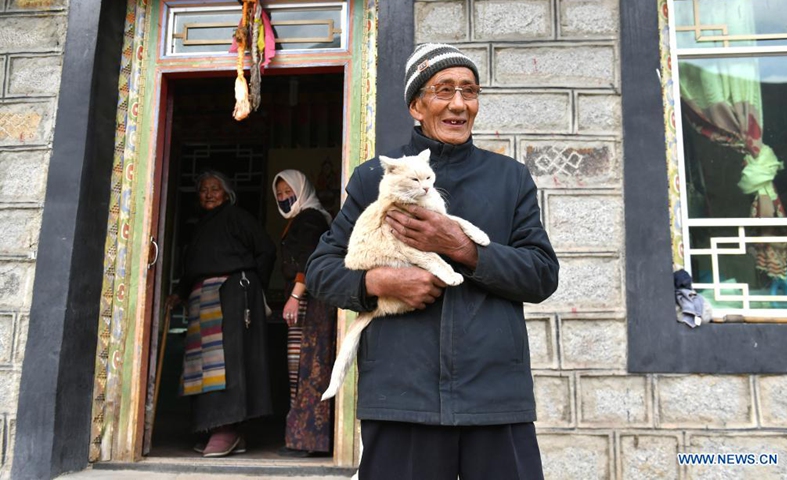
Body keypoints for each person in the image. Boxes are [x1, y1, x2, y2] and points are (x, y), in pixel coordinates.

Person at [305, 43, 559, 479]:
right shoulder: (374, 179)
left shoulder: (509, 178)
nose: (459, 104)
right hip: (401, 397)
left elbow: (541, 275)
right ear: (415, 106)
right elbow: (321, 271)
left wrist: (465, 249)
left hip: (494, 398)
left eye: (469, 91)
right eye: (443, 90)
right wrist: (380, 282)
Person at [166, 170, 276, 458]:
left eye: (215, 188)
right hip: (203, 299)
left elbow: (266, 250)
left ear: (227, 193)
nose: (209, 194)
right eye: (203, 189)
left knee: (229, 361)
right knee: (204, 365)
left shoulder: (237, 218)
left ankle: (229, 428)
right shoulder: (200, 227)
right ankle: (211, 426)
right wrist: (180, 292)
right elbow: (192, 267)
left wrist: (253, 288)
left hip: (233, 295)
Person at [272, 170, 336, 457]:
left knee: (305, 369)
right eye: (280, 195)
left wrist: (295, 296)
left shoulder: (309, 219)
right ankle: (302, 437)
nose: (285, 198)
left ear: (303, 188)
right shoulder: (304, 217)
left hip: (311, 303)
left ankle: (306, 439)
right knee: (302, 368)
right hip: (308, 302)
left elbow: (310, 258)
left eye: (289, 191)